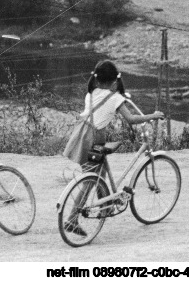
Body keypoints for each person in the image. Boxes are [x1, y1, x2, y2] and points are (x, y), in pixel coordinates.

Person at [63, 60, 164, 237]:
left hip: (81, 134)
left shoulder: (92, 92)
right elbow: (131, 119)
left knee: (97, 176)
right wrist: (153, 116)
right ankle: (72, 219)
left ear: (97, 79)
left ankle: (105, 207)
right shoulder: (115, 98)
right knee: (90, 180)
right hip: (94, 138)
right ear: (114, 81)